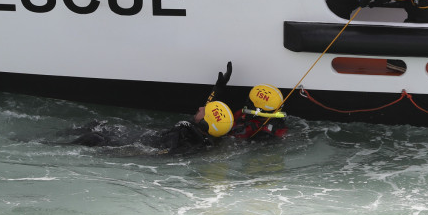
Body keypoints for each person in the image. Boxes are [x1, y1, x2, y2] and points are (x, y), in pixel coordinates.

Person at [69, 62, 287, 154]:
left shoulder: (186, 132)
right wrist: (218, 90)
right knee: (93, 130)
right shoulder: (209, 135)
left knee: (92, 134)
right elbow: (214, 119)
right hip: (139, 142)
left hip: (125, 144)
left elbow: (157, 152)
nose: (201, 106)